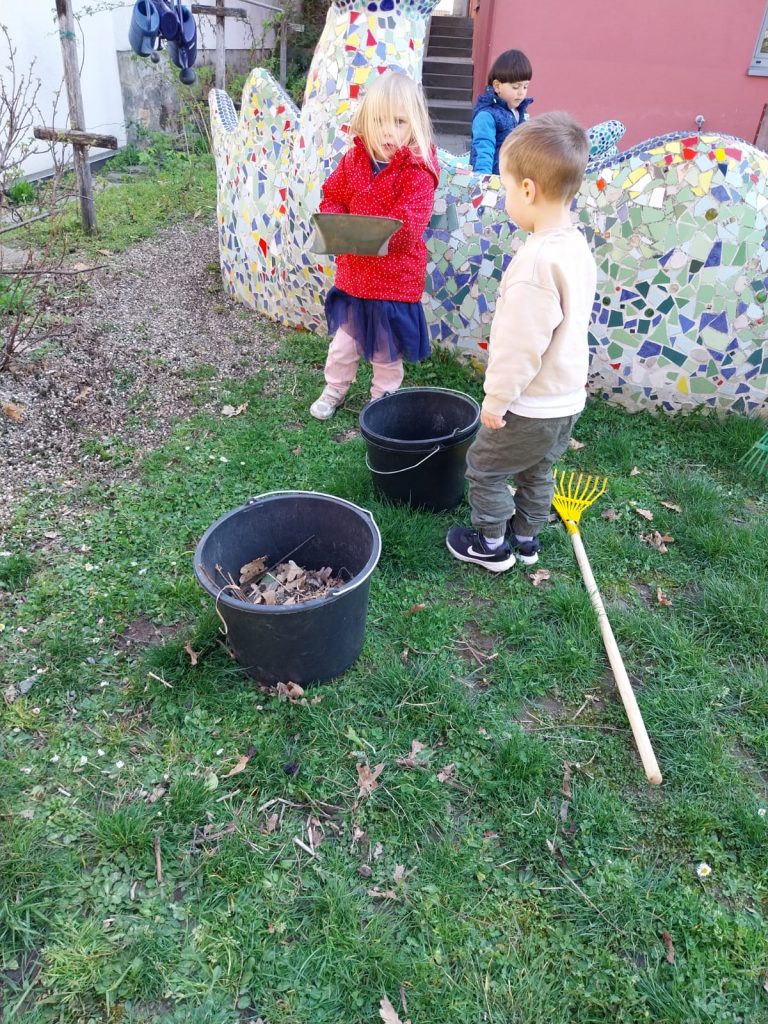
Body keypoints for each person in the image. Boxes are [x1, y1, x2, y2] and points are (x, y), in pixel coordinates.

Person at [446, 111, 597, 572]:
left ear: (528, 190)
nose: (507, 198)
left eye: (508, 189)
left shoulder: (535, 264)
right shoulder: (575, 246)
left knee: (485, 468)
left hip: (529, 404)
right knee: (538, 469)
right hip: (566, 401)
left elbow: (520, 346)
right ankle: (527, 539)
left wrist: (496, 401)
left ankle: (492, 545)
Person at [309, 72, 439, 420]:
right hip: (355, 276)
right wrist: (338, 223)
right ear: (365, 120)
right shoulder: (354, 160)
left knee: (386, 352)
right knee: (343, 345)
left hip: (393, 281)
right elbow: (333, 196)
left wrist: (368, 234)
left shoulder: (418, 169)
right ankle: (334, 388)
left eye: (399, 122)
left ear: (414, 124)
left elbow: (409, 225)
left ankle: (383, 400)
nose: (388, 132)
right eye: (379, 121)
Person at [470, 49, 533, 176]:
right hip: (495, 180)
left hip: (514, 180)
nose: (521, 92)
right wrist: (484, 180)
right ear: (497, 86)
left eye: (525, 86)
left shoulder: (522, 113)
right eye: (515, 87)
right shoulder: (487, 115)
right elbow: (483, 150)